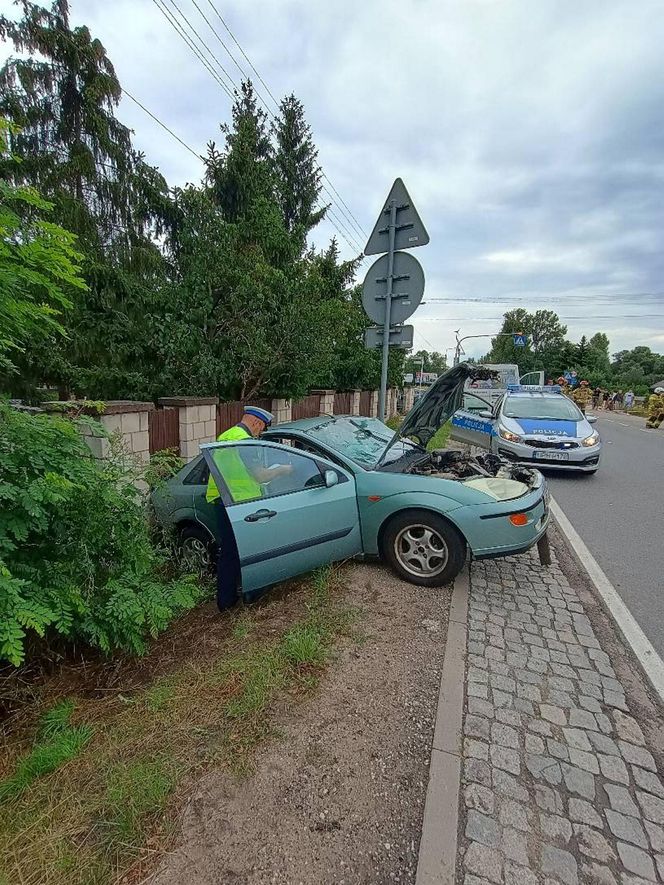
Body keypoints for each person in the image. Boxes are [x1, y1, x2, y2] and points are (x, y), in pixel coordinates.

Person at [205, 406, 291, 610]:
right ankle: (250, 594)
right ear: (256, 422)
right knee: (249, 549)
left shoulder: (227, 435)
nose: (260, 433)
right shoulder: (244, 441)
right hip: (239, 502)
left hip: (223, 500)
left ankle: (226, 601)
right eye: (261, 428)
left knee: (230, 552)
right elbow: (260, 476)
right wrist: (283, 469)